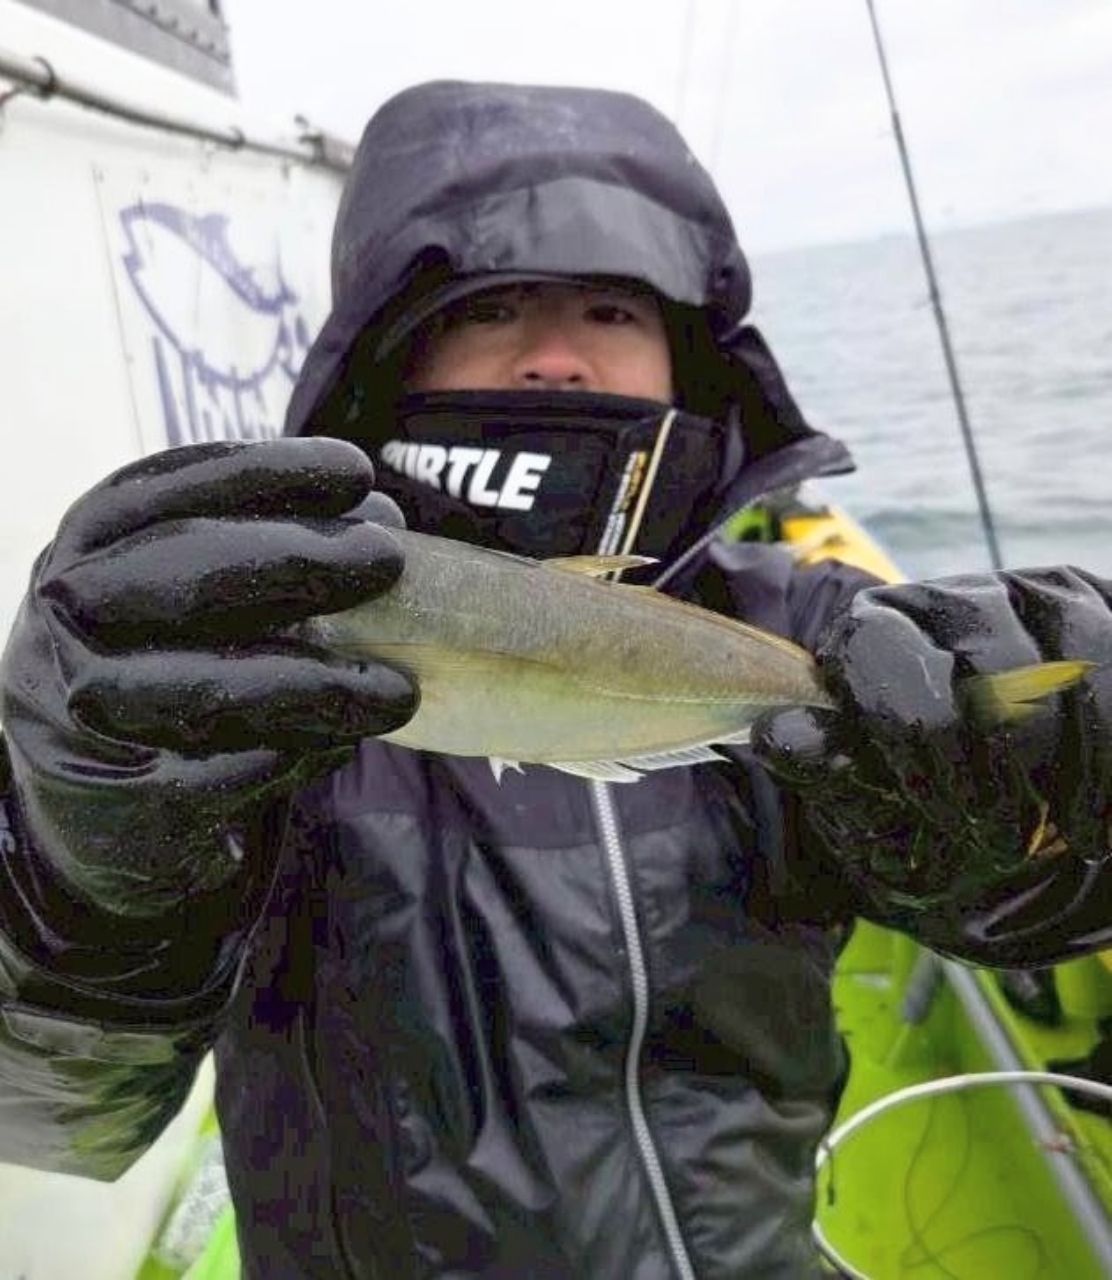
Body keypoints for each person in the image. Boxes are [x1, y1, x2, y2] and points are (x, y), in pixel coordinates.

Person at [1, 80, 1111, 1279]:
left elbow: (1019, 908)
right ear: (392, 352)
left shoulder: (806, 619)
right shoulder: (246, 672)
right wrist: (70, 870)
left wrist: (1060, 818)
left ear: (686, 355)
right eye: (489, 307)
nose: (554, 360)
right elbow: (59, 1114)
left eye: (604, 309)